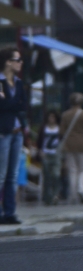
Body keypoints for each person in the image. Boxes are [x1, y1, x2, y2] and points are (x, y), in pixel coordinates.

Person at [0, 47, 27, 224]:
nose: (20, 63)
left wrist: (8, 102)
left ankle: (10, 213)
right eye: (17, 59)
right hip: (3, 132)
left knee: (12, 175)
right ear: (8, 62)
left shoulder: (18, 83)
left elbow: (22, 104)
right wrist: (12, 103)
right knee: (1, 174)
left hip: (17, 132)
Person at [58, 92, 83, 204]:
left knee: (72, 170)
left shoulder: (65, 115)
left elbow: (61, 131)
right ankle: (81, 188)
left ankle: (73, 194)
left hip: (69, 144)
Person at [39, 109, 61, 206]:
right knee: (47, 176)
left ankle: (55, 195)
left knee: (56, 175)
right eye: (50, 117)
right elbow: (40, 140)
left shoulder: (59, 129)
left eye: (53, 117)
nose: (51, 119)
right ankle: (47, 196)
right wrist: (40, 150)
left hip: (56, 154)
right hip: (46, 153)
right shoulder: (44, 128)